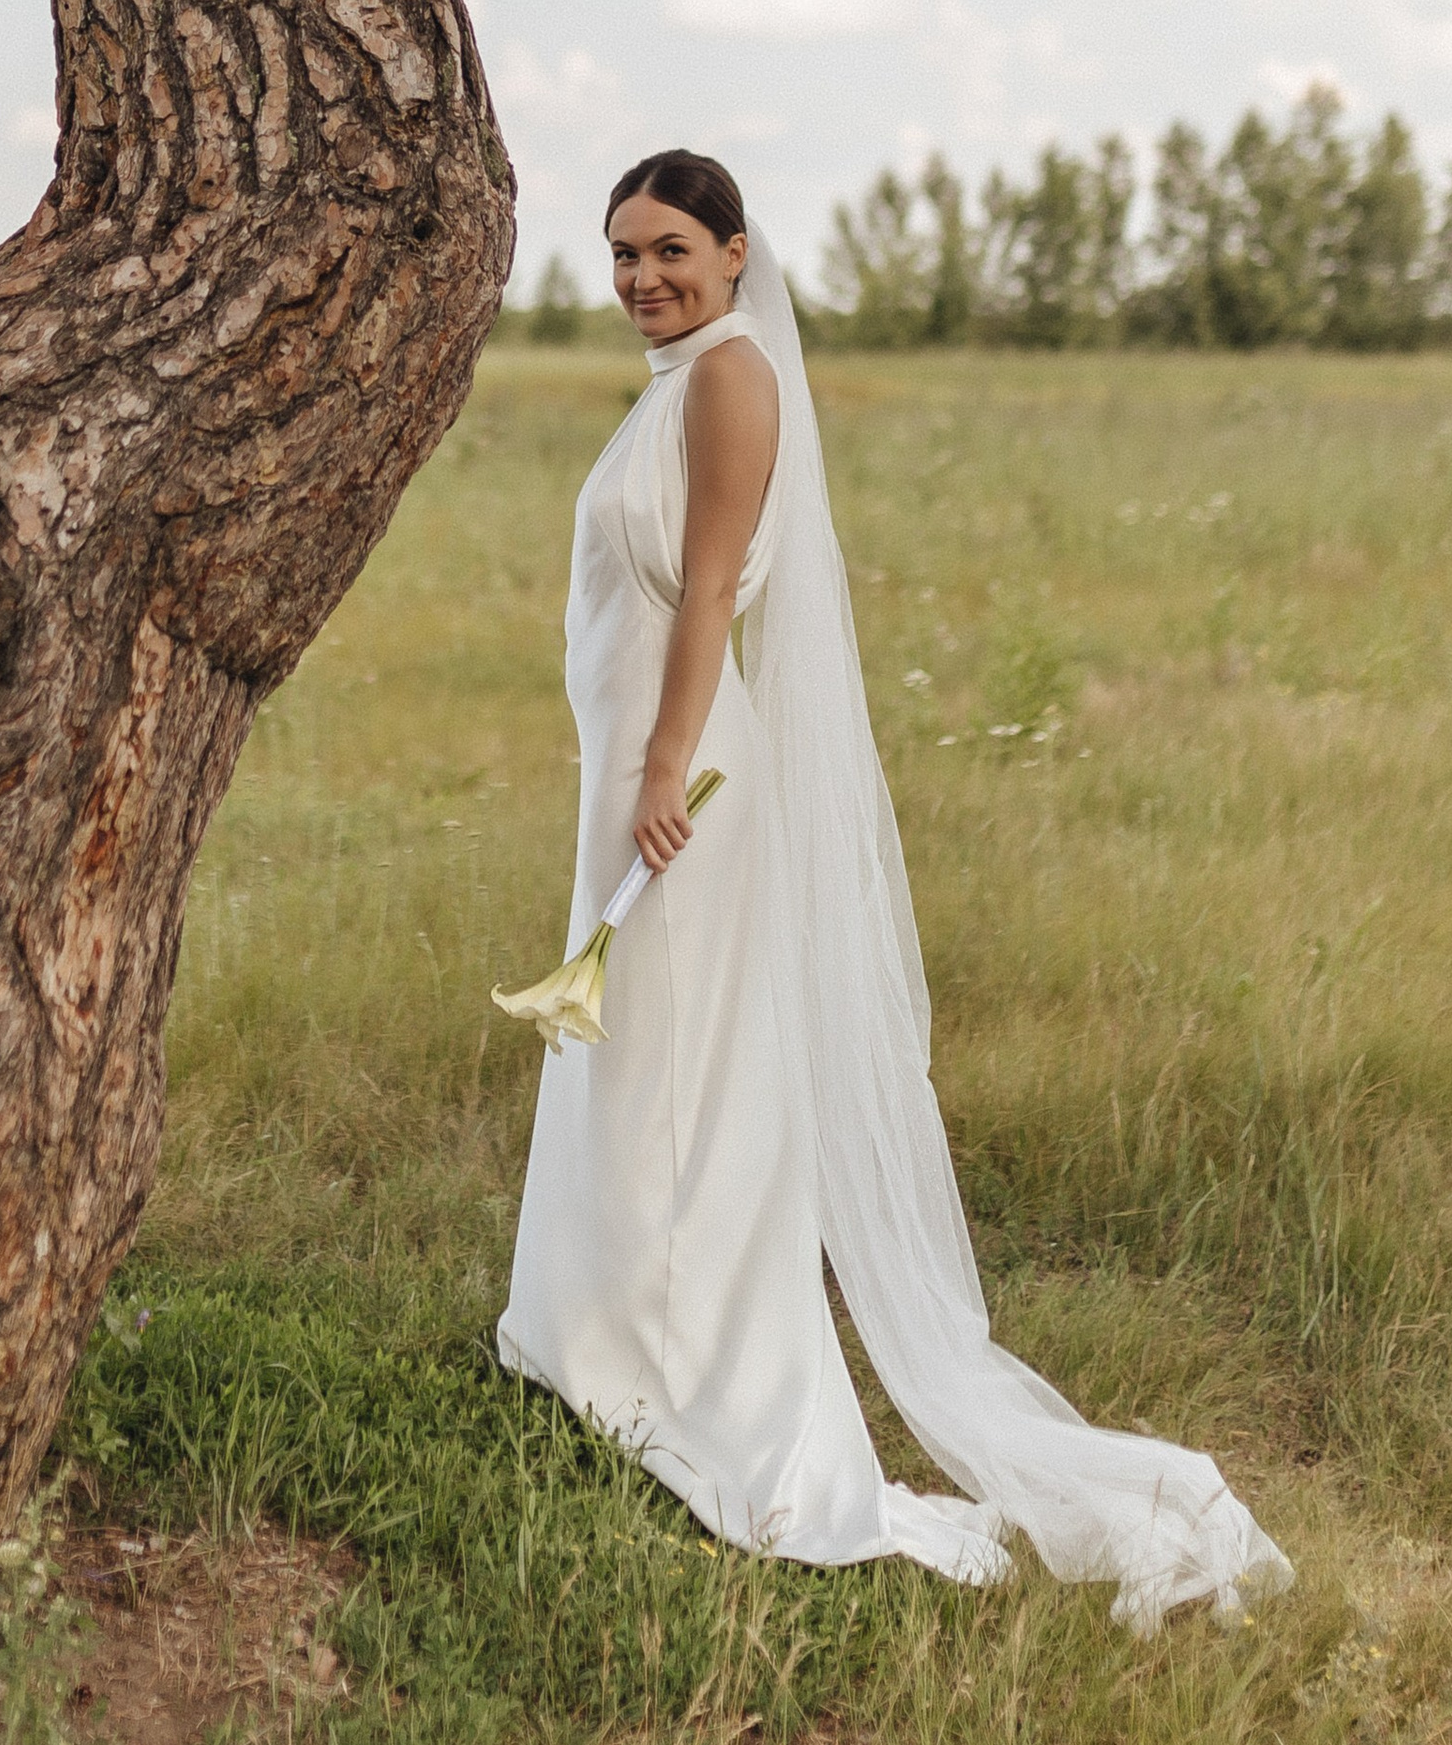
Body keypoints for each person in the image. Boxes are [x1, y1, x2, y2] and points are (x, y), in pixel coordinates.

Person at [496, 148, 1289, 1627]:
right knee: (634, 1072)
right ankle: (607, 1346)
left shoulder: (733, 378)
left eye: (670, 247)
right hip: (630, 770)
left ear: (736, 253)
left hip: (677, 780)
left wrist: (666, 762)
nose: (643, 279)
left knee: (687, 1082)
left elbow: (716, 583)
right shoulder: (679, 379)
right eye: (620, 255)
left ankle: (720, 1391)